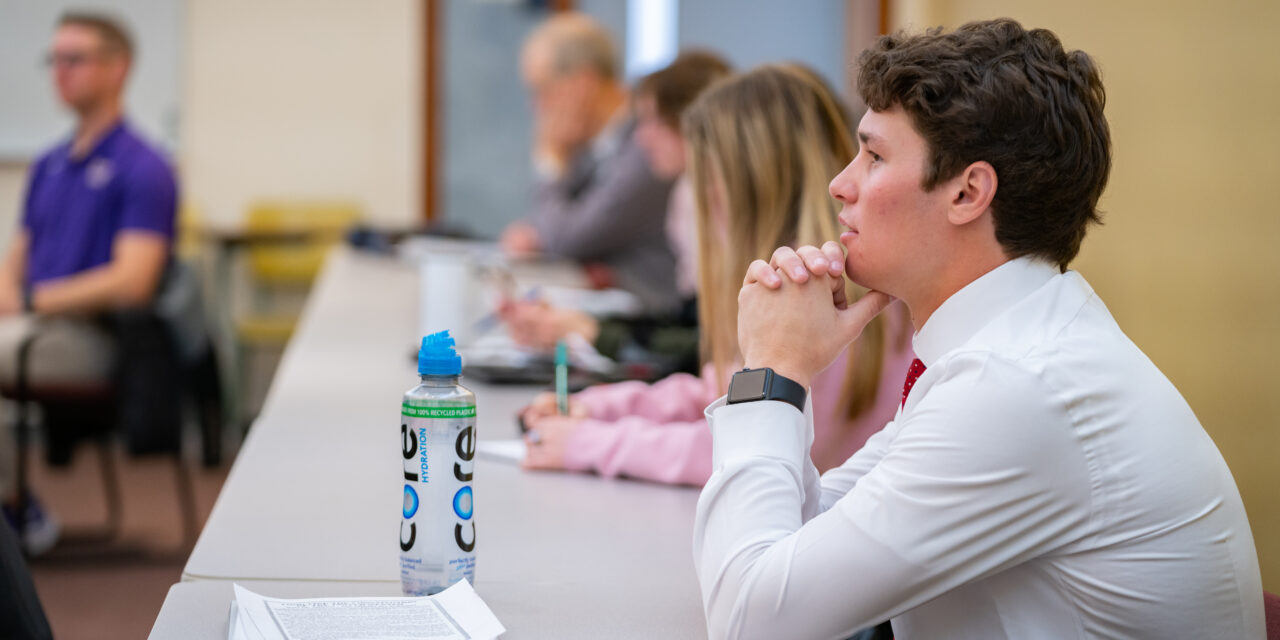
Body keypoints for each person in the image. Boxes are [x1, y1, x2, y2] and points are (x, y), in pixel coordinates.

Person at [694, 19, 1264, 638]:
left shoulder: (1018, 386)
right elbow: (810, 542)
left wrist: (772, 373)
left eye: (875, 155)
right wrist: (783, 374)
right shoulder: (1004, 348)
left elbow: (751, 621)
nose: (841, 183)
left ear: (968, 193)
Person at [518, 65, 915, 485]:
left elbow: (737, 447)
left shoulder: (821, 283)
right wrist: (598, 408)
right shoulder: (794, 275)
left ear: (745, 183)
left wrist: (587, 442)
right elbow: (723, 391)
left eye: (706, 179)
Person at [0, 12, 178, 555]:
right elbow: (18, 255)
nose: (60, 71)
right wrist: (9, 291)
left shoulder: (144, 167)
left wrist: (31, 299)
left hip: (97, 339)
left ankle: (15, 512)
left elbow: (133, 283)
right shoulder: (49, 163)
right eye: (53, 59)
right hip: (35, 327)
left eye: (73, 59)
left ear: (117, 68)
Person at [500, 50, 732, 375]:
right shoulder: (685, 191)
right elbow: (690, 318)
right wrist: (584, 325)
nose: (641, 137)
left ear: (694, 124)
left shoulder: (692, 191)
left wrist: (550, 157)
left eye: (653, 120)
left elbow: (568, 239)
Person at [500, 13, 679, 312]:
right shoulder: (594, 146)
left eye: (543, 90)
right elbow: (555, 224)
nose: (535, 106)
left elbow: (567, 241)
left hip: (658, 327)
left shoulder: (647, 145)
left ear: (582, 83)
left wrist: (550, 161)